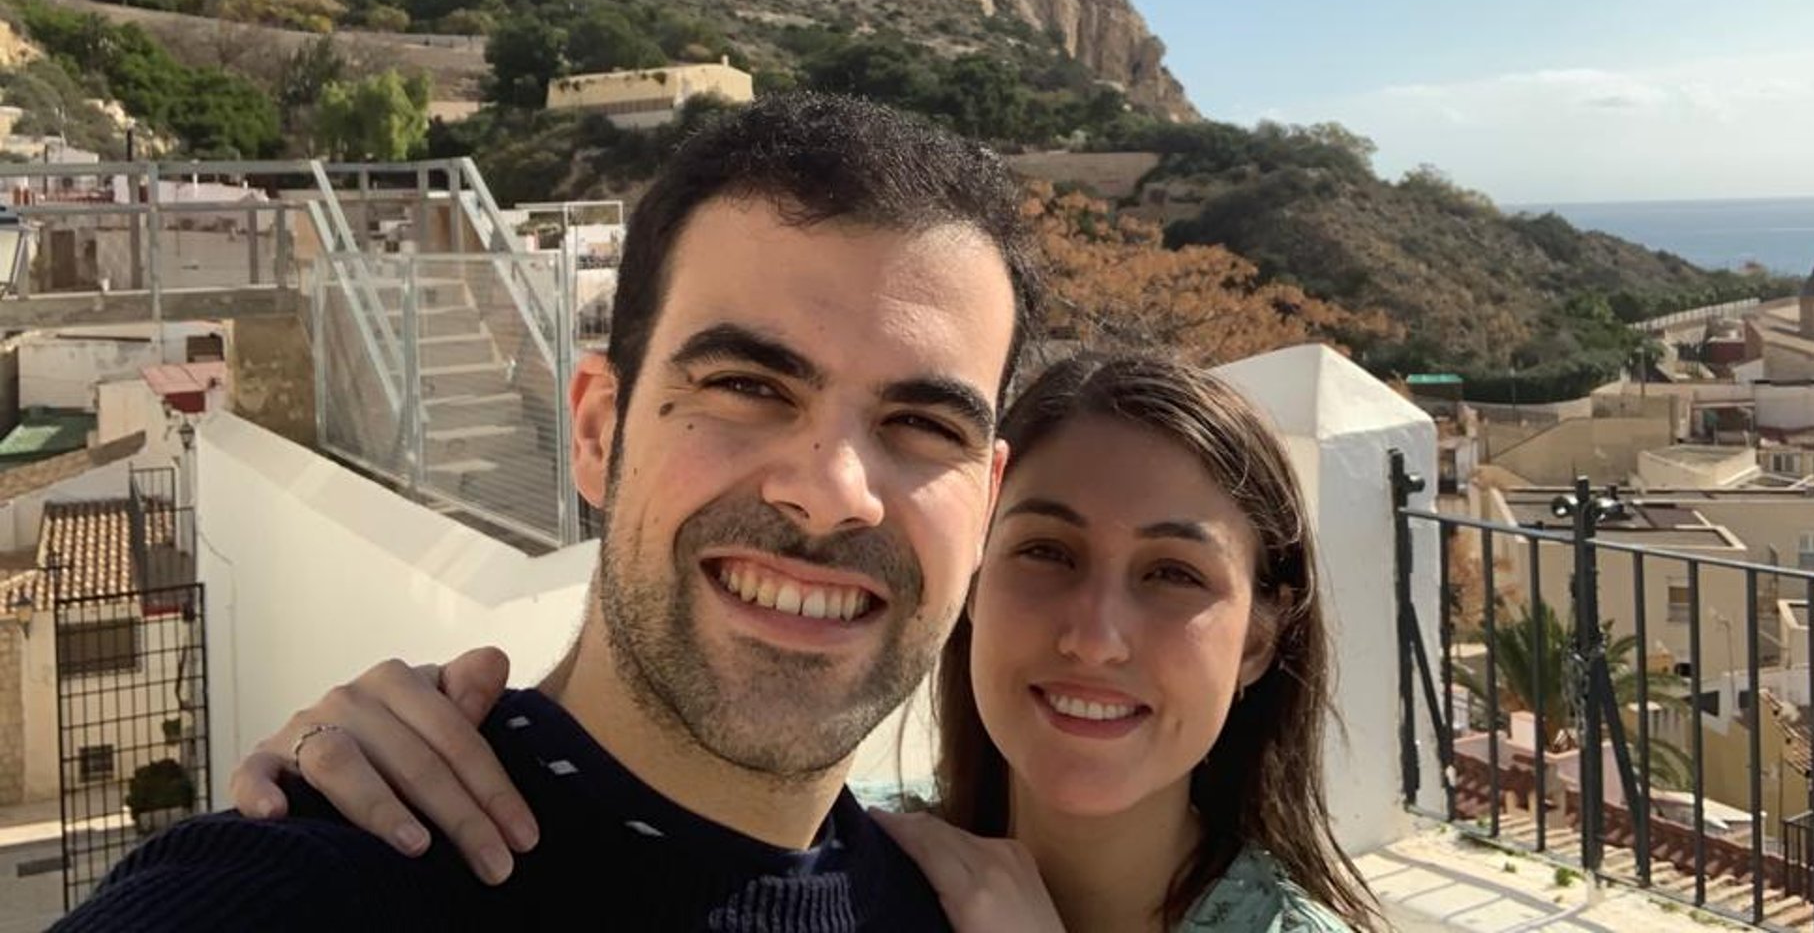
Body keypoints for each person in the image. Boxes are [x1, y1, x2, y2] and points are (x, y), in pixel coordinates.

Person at [56, 91, 1045, 932]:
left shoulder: (961, 913)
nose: (833, 491)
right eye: (748, 388)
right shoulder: (305, 890)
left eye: (921, 423)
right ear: (597, 433)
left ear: (988, 501)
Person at [235, 353, 1381, 932]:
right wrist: (373, 754)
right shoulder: (841, 854)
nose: (1097, 633)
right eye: (1046, 551)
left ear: (1259, 637)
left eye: (1175, 576)